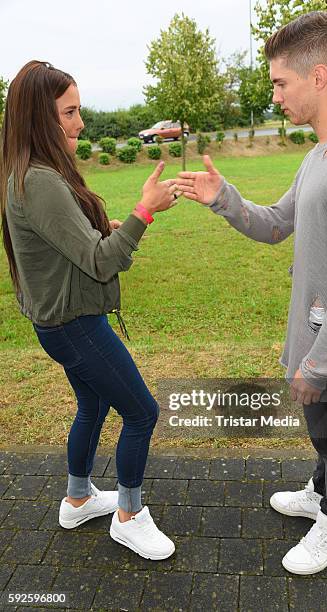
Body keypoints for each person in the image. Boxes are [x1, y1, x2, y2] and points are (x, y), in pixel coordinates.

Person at [175, 11, 327, 575]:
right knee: (322, 432)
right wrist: (222, 196)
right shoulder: (321, 154)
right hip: (315, 337)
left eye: (280, 82)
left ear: (317, 76)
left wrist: (317, 365)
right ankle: (318, 494)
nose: (274, 95)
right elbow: (275, 224)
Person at [1, 60, 180, 560]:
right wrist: (144, 213)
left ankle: (77, 499)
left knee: (93, 405)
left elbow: (73, 246)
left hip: (60, 322)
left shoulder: (28, 172)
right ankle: (129, 516)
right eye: (70, 112)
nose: (81, 122)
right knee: (143, 412)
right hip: (74, 325)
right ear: (42, 117)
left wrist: (111, 227)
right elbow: (102, 262)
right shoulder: (38, 180)